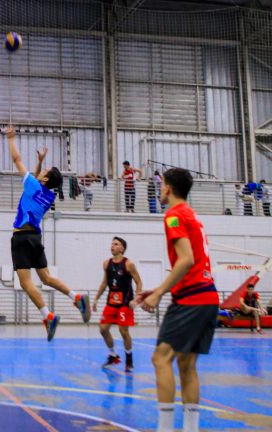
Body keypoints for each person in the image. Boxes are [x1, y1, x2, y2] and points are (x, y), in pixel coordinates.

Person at [135, 167, 220, 432]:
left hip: (191, 298)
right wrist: (162, 288)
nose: (159, 190)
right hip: (207, 295)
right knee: (186, 364)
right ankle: (191, 429)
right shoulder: (193, 215)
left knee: (161, 358)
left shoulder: (173, 216)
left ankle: (165, 428)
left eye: (161, 186)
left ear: (168, 188)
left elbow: (186, 260)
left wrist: (160, 292)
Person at [4, 126, 90, 342]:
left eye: (44, 171)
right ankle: (76, 296)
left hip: (21, 238)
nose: (40, 172)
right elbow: (35, 178)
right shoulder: (48, 195)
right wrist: (41, 163)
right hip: (35, 238)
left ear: (44, 179)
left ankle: (47, 316)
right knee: (47, 278)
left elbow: (16, 159)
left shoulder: (33, 185)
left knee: (26, 283)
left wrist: (12, 138)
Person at [92, 237, 143, 371]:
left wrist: (136, 299)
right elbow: (104, 283)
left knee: (123, 331)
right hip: (111, 302)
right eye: (112, 244)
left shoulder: (128, 264)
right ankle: (113, 355)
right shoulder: (106, 263)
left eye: (116, 244)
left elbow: (139, 282)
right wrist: (96, 298)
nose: (112, 246)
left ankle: (129, 360)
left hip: (125, 303)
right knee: (103, 329)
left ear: (122, 248)